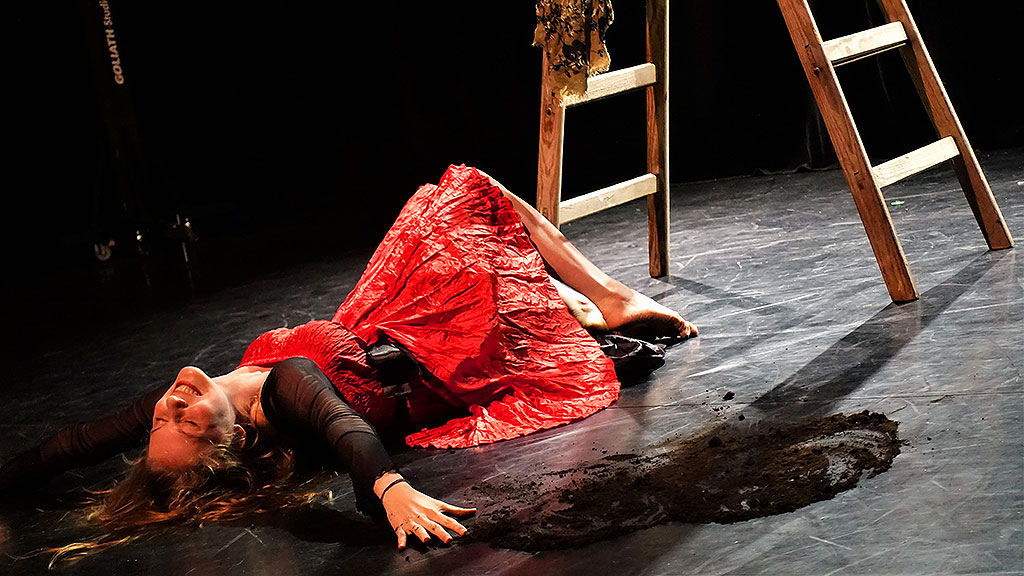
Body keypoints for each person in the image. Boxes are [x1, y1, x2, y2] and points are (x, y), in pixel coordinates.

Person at [0, 165, 697, 557]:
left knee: (461, 194)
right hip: (445, 355)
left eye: (160, 416)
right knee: (472, 206)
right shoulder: (282, 392)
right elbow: (346, 430)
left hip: (392, 315)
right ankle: (606, 301)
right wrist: (388, 490)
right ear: (230, 438)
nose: (171, 404)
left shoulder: (189, 399)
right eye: (183, 422)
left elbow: (73, 444)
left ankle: (590, 304)